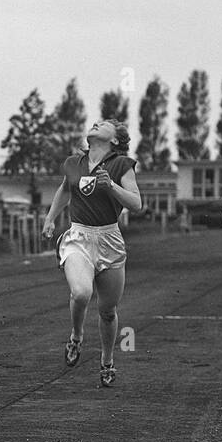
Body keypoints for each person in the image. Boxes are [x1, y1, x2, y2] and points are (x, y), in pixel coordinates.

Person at [41, 118, 145, 387]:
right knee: (81, 292)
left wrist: (110, 185)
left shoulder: (121, 164)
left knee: (108, 311)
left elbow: (136, 203)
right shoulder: (74, 163)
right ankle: (76, 336)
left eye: (104, 124)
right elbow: (65, 189)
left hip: (109, 239)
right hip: (79, 236)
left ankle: (107, 361)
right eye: (96, 122)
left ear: (116, 139)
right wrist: (51, 218)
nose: (96, 124)